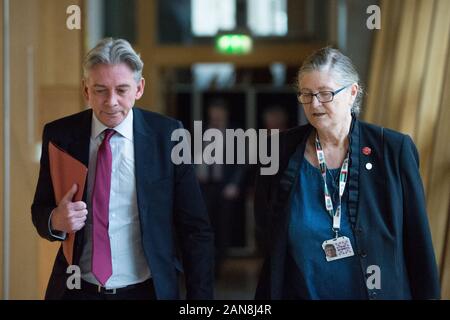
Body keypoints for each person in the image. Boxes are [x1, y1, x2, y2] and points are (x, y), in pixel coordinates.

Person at [31, 38, 214, 300]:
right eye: (100, 90)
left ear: (139, 88)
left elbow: (196, 230)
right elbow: (40, 209)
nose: (111, 101)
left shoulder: (170, 135)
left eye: (122, 89)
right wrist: (55, 221)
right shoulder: (59, 135)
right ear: (86, 90)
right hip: (77, 290)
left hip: (146, 291)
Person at [254, 47, 440, 300]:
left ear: (352, 93)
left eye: (325, 94)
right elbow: (266, 229)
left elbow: (418, 244)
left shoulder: (392, 150)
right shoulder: (279, 151)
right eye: (306, 95)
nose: (315, 104)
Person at [196, 99, 247, 278]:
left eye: (219, 113)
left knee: (222, 228)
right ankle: (204, 265)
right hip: (203, 187)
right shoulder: (201, 130)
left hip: (225, 188)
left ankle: (217, 267)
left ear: (225, 114)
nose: (216, 116)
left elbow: (243, 162)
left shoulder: (236, 132)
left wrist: (234, 184)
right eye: (213, 113)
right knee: (203, 228)